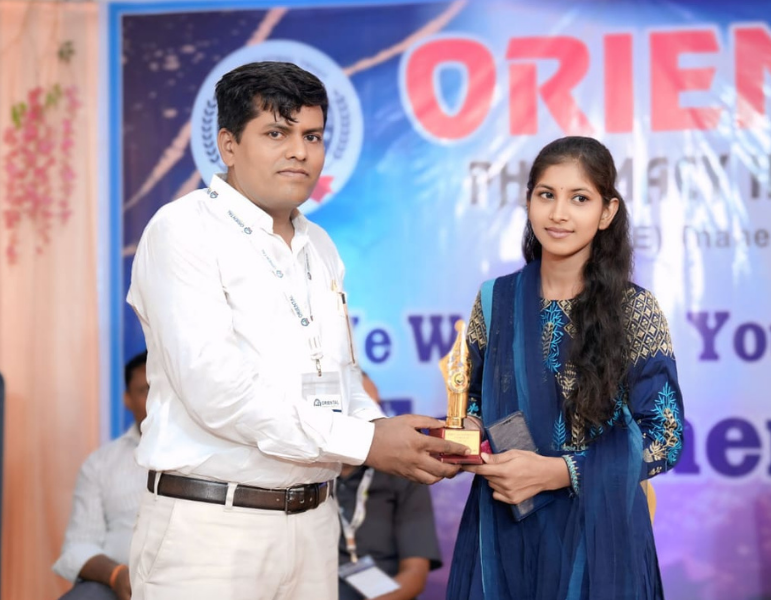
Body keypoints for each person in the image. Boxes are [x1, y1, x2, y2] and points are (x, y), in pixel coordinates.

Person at [126, 61, 467, 600]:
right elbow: (218, 393)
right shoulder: (183, 230)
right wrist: (367, 443)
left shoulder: (320, 246)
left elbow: (340, 379)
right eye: (276, 133)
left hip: (313, 526)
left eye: (311, 136)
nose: (300, 152)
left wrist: (395, 433)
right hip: (213, 530)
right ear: (228, 145)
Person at [447, 136, 685, 600]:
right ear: (529, 202)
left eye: (579, 198)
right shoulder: (495, 300)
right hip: (505, 520)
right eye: (546, 195)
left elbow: (665, 436)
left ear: (607, 212)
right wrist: (466, 432)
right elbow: (472, 399)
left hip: (600, 535)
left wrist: (560, 471)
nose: (558, 213)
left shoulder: (634, 309)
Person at [53, 352, 149, 600]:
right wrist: (116, 575)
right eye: (145, 390)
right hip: (118, 586)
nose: (156, 399)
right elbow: (78, 546)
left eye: (162, 388)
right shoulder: (100, 464)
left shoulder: (207, 456)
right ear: (127, 399)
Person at [337, 373, 442, 600]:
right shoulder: (302, 477)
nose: (370, 423)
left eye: (374, 412)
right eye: (359, 411)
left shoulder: (404, 475)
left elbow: (415, 574)